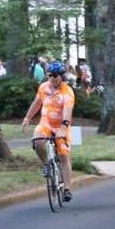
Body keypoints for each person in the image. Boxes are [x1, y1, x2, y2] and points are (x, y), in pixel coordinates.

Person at [21, 61, 75, 202]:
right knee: (37, 142)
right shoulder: (43, 87)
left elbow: (67, 111)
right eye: (49, 75)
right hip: (45, 123)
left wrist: (63, 128)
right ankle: (46, 164)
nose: (52, 78)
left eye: (55, 75)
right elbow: (37, 103)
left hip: (61, 125)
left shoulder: (67, 91)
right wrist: (27, 118)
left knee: (63, 156)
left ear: (62, 76)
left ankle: (67, 189)